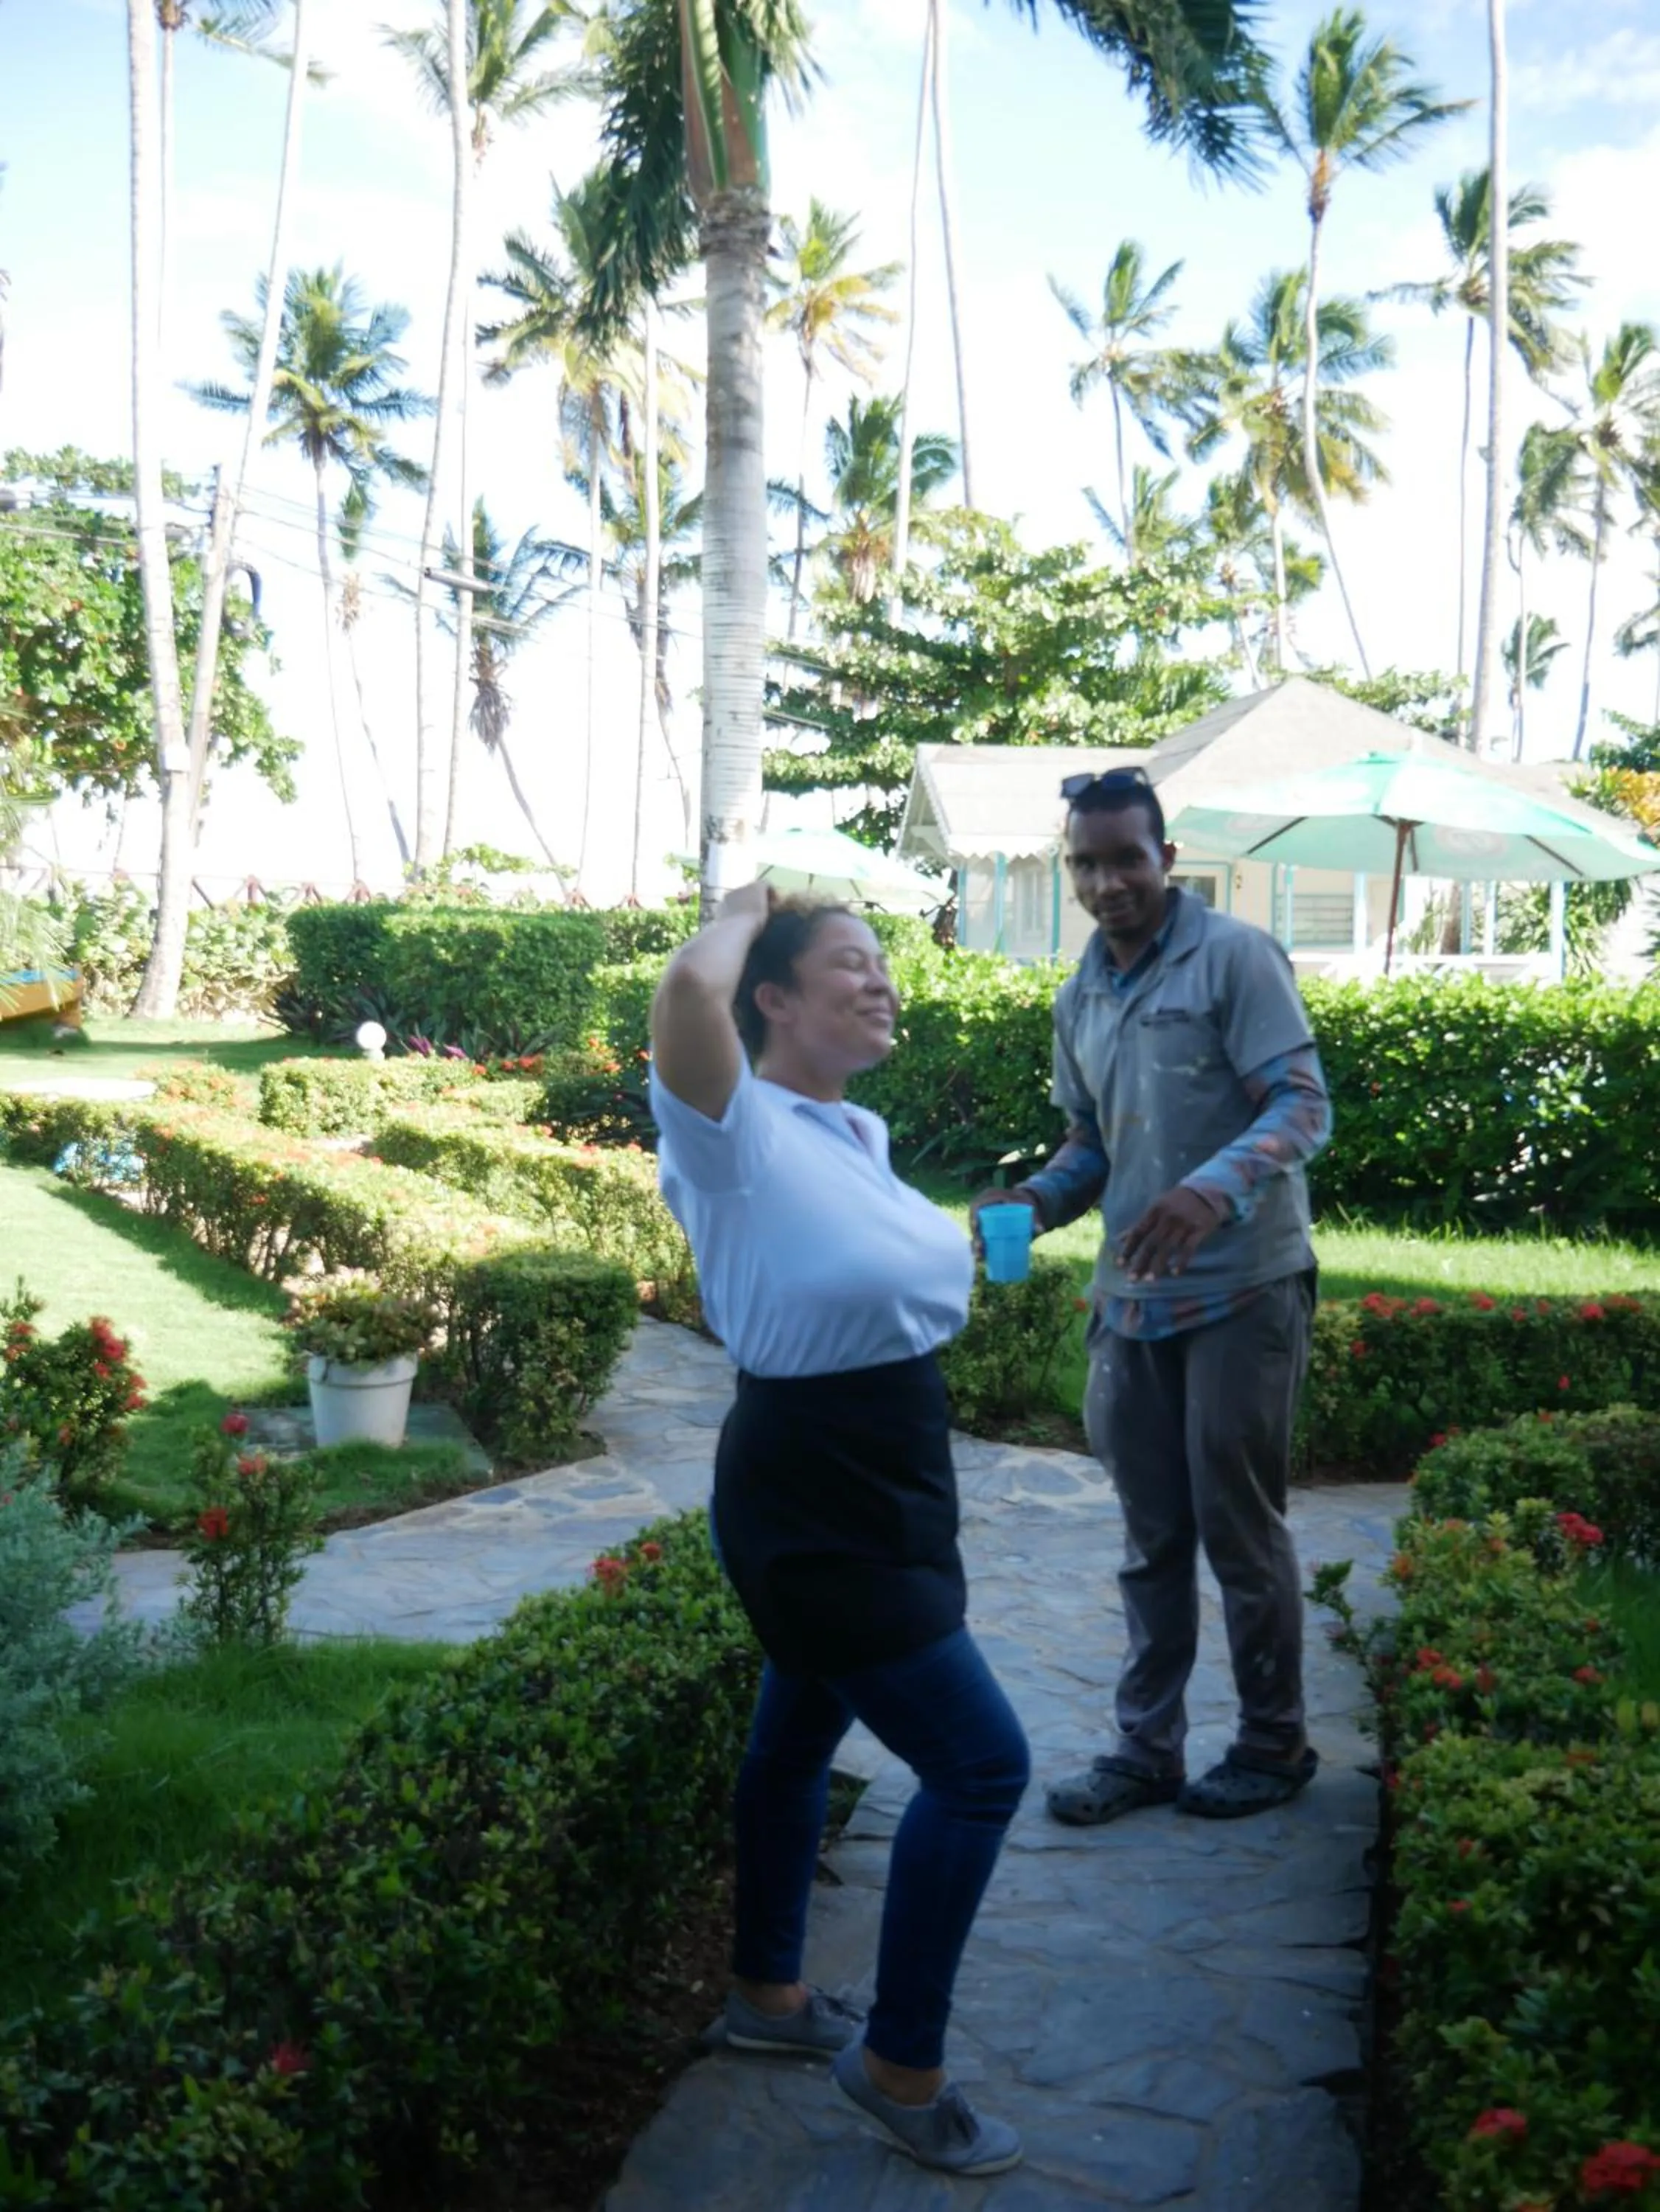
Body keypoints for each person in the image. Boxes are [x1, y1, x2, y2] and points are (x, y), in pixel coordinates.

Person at [649, 884, 1030, 2178]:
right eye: (851, 965)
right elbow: (687, 995)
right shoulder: (731, 1130)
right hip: (813, 1495)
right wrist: (741, 910)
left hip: (888, 1476)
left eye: (885, 968)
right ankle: (901, 2065)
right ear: (774, 997)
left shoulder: (851, 1132)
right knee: (981, 1766)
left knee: (798, 1732)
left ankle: (768, 1998)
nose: (882, 984)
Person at [974, 765, 1332, 1826]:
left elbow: (1301, 1105)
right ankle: (1147, 1753)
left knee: (1240, 1529)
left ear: (1166, 859)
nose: (1108, 881)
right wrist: (1035, 1200)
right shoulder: (1079, 993)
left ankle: (1272, 1746)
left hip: (1242, 1288)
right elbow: (1092, 1142)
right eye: (1087, 862)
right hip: (1129, 1301)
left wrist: (1206, 1193)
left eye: (1127, 857)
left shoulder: (1235, 959)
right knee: (1151, 1540)